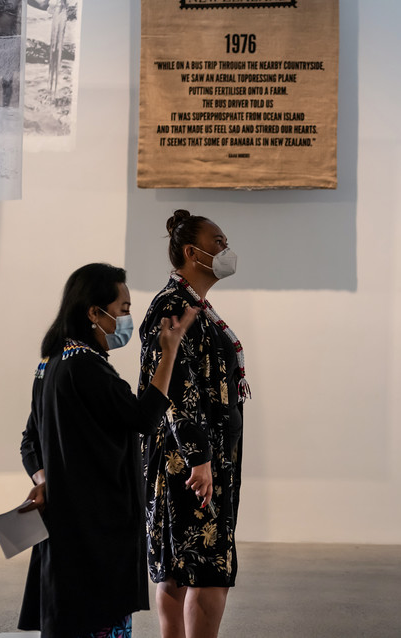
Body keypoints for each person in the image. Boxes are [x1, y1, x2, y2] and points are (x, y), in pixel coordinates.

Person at [18, 263, 197, 637]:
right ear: (94, 312)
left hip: (65, 529)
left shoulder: (50, 363)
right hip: (95, 532)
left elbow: (30, 441)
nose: (127, 319)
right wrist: (169, 351)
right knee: (97, 621)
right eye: (124, 309)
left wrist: (45, 479)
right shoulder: (87, 366)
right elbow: (144, 419)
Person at [139, 209, 248, 638]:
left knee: (184, 565)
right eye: (218, 242)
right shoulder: (172, 306)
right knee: (203, 566)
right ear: (192, 251)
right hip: (186, 463)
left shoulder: (195, 306)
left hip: (202, 459)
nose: (226, 250)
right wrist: (199, 458)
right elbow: (170, 389)